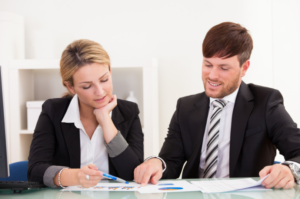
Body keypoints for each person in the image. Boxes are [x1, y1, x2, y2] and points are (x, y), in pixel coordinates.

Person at [134, 22, 300, 189]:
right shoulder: (185, 107)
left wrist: (289, 170)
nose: (212, 76)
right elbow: (170, 160)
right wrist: (156, 163)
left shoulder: (265, 102)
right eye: (208, 65)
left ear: (244, 68)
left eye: (223, 68)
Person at [28, 39, 143, 188]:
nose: (100, 92)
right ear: (71, 87)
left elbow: (133, 173)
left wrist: (105, 120)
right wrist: (75, 176)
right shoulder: (53, 111)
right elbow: (35, 171)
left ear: (110, 72)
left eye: (104, 80)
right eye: (87, 86)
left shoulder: (129, 112)